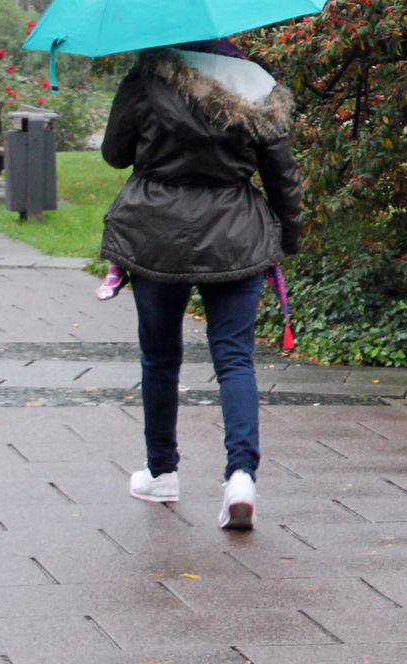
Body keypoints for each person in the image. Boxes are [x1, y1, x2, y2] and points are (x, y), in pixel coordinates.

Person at [100, 37, 302, 530]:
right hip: (236, 234)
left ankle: (161, 471)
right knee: (234, 358)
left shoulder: (146, 78)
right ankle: (240, 477)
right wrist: (289, 235)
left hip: (154, 231)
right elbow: (281, 176)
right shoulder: (258, 86)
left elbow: (114, 154)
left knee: (160, 357)